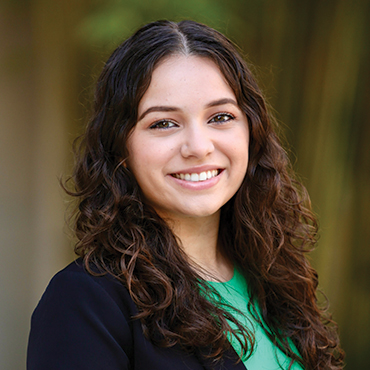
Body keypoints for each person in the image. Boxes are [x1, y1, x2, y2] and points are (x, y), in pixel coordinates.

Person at [27, 20, 344, 370]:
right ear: (120, 148)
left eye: (221, 116)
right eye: (163, 123)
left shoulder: (276, 278)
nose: (198, 147)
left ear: (251, 131)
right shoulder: (85, 301)